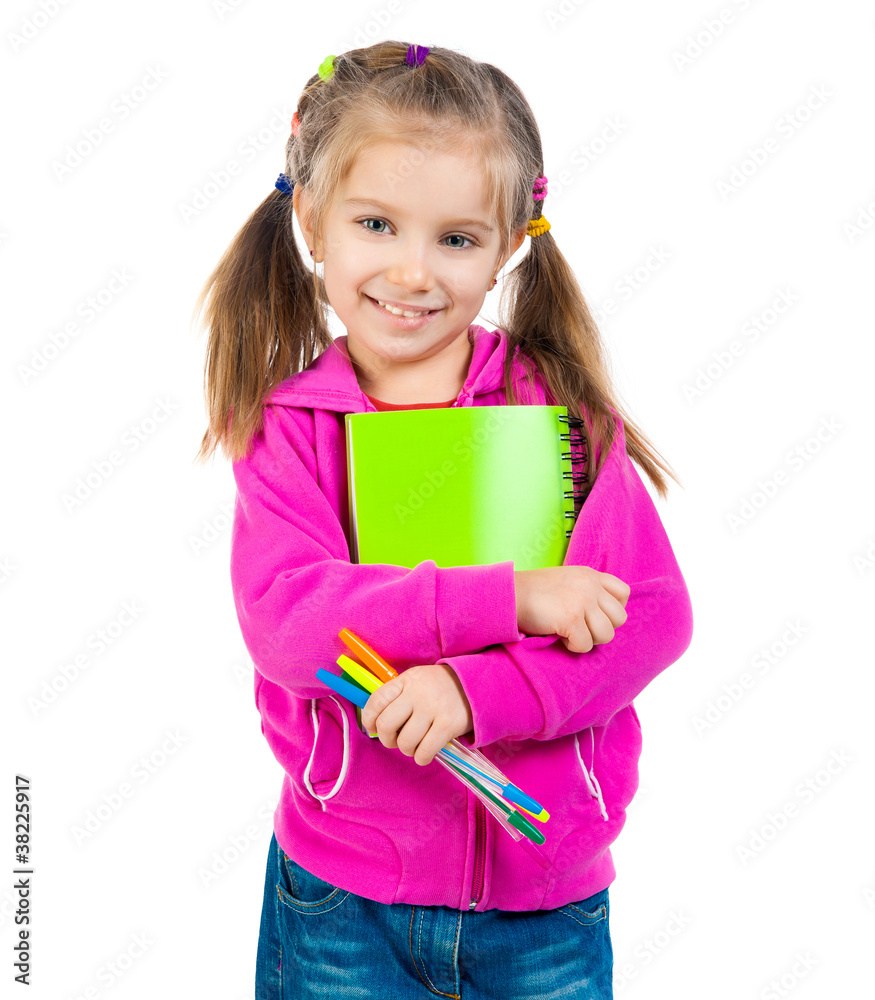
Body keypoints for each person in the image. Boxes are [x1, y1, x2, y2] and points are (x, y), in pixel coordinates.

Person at [193, 40, 693, 1000]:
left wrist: (477, 695)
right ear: (311, 219)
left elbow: (653, 614)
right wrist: (513, 598)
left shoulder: (558, 413)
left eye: (456, 239)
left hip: (544, 903)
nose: (412, 273)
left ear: (509, 244)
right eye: (376, 224)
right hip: (341, 897)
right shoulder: (289, 428)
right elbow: (292, 624)